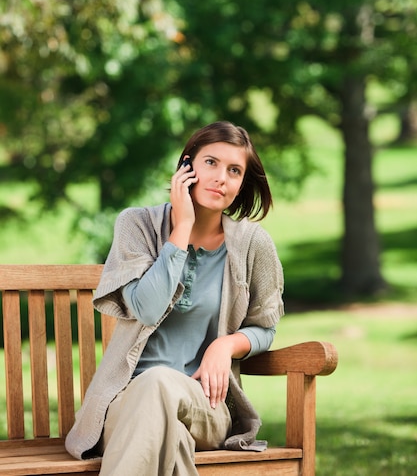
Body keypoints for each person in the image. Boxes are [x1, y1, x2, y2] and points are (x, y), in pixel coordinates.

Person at [65, 120, 284, 475]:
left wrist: (225, 346)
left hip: (206, 406)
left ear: (242, 183)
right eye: (210, 163)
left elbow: (265, 327)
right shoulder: (136, 225)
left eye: (234, 170)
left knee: (159, 383)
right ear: (186, 166)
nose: (221, 178)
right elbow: (146, 309)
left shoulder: (253, 245)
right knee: (172, 439)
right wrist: (181, 228)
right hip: (124, 404)